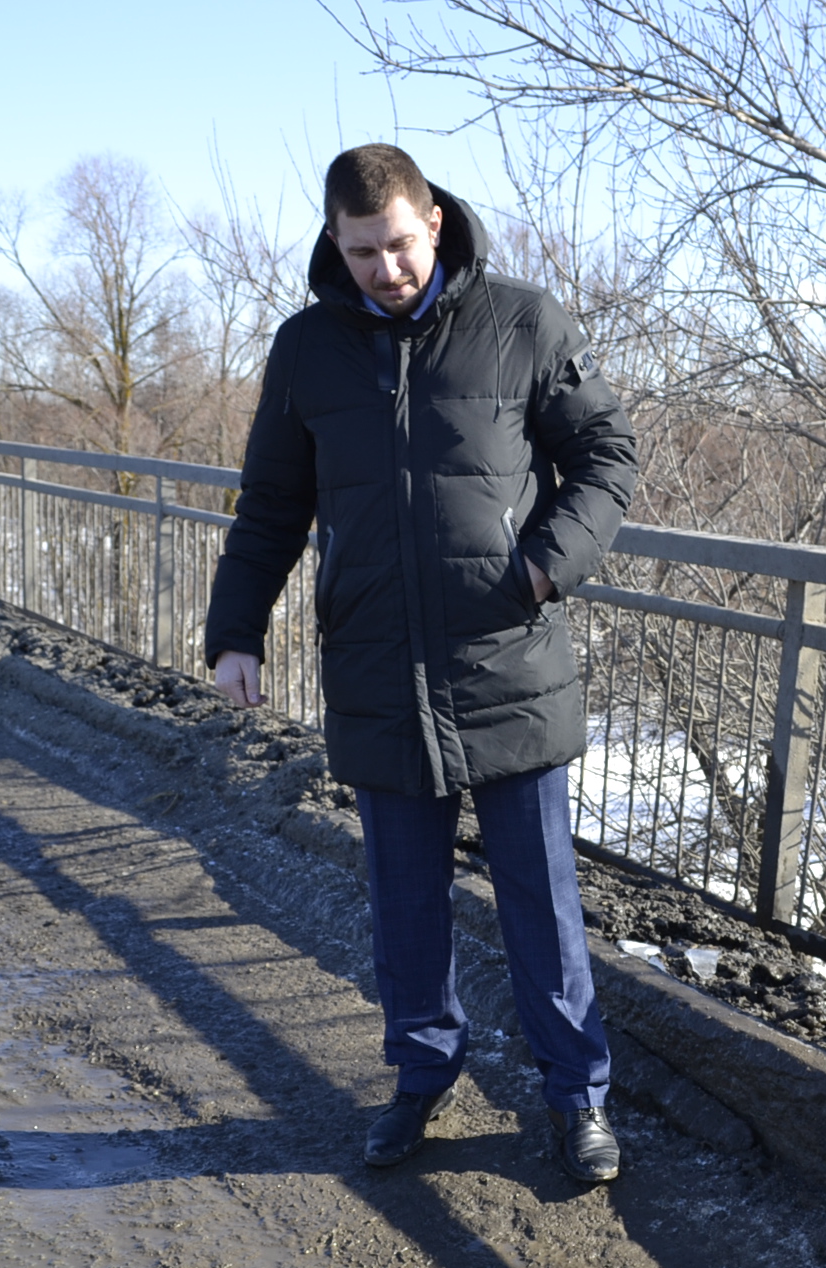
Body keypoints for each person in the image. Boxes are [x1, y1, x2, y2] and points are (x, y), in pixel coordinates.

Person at [203, 144, 636, 1184]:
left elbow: (607, 458)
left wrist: (542, 569)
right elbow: (271, 506)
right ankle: (422, 1078)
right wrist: (235, 632)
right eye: (362, 253)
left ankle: (577, 1099)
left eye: (398, 244)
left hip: (508, 663)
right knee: (404, 906)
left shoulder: (524, 322)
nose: (385, 269)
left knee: (541, 901)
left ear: (432, 221)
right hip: (377, 667)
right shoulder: (307, 351)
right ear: (336, 247)